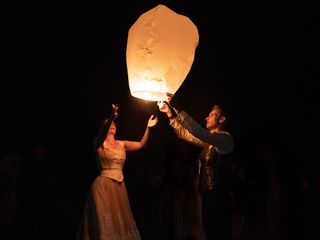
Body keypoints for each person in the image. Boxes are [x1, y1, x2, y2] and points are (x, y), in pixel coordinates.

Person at [157, 95, 234, 240]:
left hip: (219, 197)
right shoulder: (208, 141)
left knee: (220, 233)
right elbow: (186, 134)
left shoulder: (225, 139)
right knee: (210, 233)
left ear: (222, 120)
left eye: (212, 115)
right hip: (207, 195)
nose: (207, 117)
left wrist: (178, 108)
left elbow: (198, 131)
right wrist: (169, 112)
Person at [77, 104, 158, 240]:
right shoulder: (99, 143)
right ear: (103, 128)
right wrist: (110, 118)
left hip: (119, 187)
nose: (113, 125)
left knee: (119, 219)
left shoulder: (122, 144)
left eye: (114, 123)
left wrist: (148, 127)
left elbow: (141, 144)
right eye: (109, 124)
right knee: (103, 220)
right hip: (102, 186)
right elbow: (102, 135)